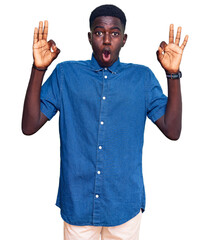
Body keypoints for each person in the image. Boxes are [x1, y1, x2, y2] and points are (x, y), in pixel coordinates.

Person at [22, 4, 188, 240]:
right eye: (100, 33)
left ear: (124, 39)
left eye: (115, 33)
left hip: (124, 207)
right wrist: (39, 69)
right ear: (90, 37)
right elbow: (29, 126)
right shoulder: (66, 74)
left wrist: (173, 75)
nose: (107, 40)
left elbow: (173, 130)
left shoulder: (141, 78)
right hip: (78, 205)